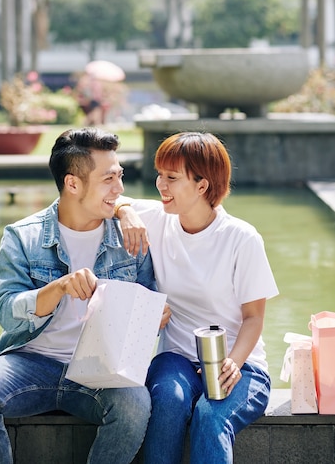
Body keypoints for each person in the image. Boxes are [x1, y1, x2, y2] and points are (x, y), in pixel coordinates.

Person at [0, 127, 168, 464]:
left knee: (135, 404)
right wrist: (58, 287)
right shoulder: (22, 236)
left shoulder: (131, 236)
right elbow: (7, 314)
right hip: (29, 361)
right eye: (108, 179)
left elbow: (148, 308)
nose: (119, 188)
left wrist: (153, 318)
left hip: (100, 369)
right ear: (72, 183)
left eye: (120, 176)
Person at [114, 131, 279, 464]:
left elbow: (254, 317)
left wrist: (233, 361)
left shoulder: (241, 238)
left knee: (210, 415)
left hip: (239, 364)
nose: (161, 185)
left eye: (172, 178)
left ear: (202, 185)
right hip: (175, 358)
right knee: (168, 404)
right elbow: (107, 200)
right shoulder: (157, 219)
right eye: (160, 174)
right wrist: (125, 211)